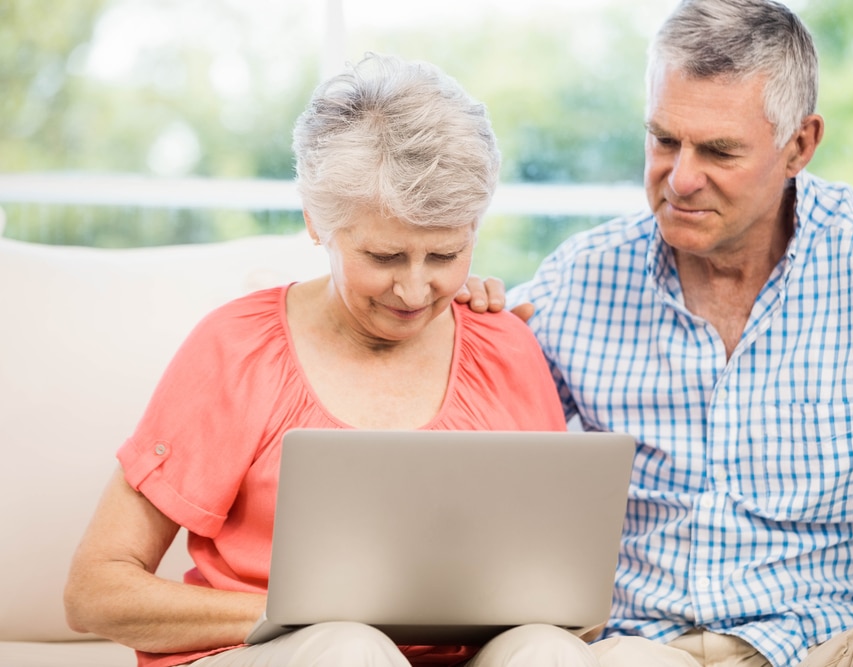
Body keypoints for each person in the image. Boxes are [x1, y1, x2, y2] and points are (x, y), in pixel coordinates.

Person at [462, 0, 853, 665]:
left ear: (798, 145)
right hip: (642, 646)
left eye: (718, 150)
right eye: (663, 140)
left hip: (837, 640)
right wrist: (458, 332)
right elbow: (476, 450)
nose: (680, 180)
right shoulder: (581, 275)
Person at [63, 52, 603, 667]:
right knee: (349, 649)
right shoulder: (236, 351)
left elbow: (568, 599)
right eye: (385, 257)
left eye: (445, 255)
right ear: (316, 222)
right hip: (275, 653)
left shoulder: (500, 345)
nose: (415, 291)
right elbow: (95, 592)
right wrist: (299, 616)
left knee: (546, 651)